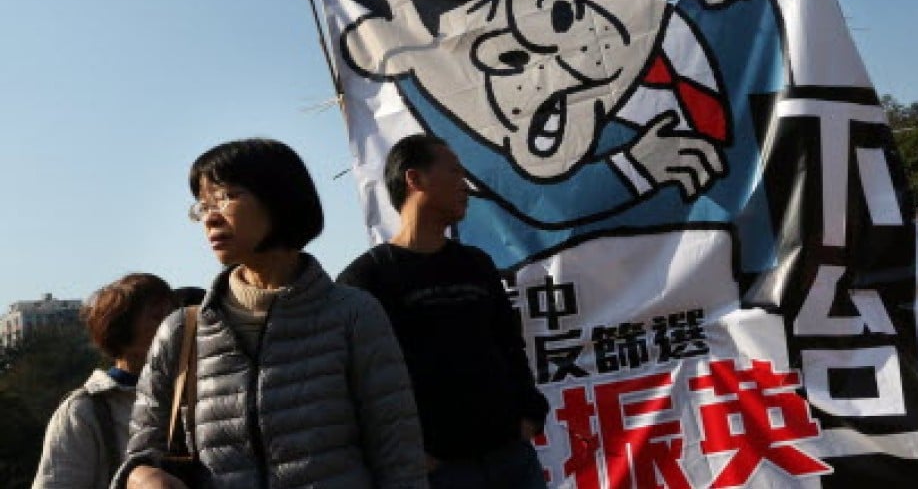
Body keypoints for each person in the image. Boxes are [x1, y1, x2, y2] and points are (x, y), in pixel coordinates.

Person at [114, 138, 425, 488]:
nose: (210, 218)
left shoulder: (352, 314)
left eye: (227, 196)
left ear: (280, 199)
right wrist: (144, 476)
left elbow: (399, 457)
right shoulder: (181, 331)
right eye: (202, 206)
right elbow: (140, 453)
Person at [339, 134, 549, 489]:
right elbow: (355, 381)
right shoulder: (365, 278)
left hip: (510, 456)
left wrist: (529, 413)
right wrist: (411, 454)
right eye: (454, 172)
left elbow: (510, 345)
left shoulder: (476, 264)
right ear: (414, 179)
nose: (464, 185)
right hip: (438, 470)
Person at [33, 273, 177, 489]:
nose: (172, 327)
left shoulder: (196, 392)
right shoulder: (84, 410)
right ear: (121, 330)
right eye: (158, 317)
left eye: (174, 316)